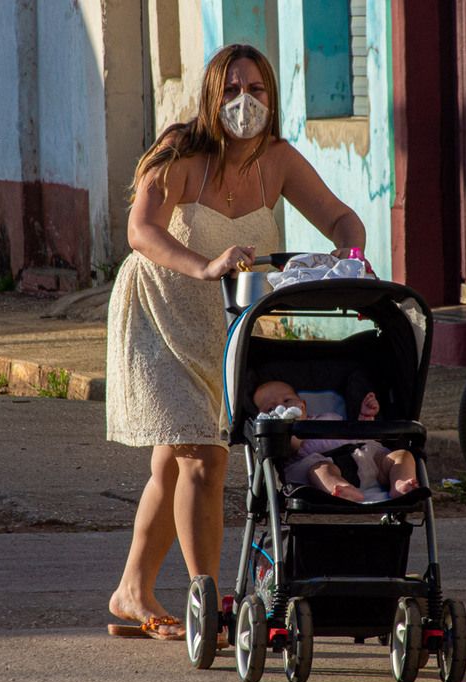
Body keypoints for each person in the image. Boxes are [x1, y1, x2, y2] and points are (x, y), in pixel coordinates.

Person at [105, 44, 366, 639]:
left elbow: (340, 217)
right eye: (230, 90)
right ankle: (210, 607)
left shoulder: (278, 161)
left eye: (256, 89)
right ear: (210, 96)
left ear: (272, 98)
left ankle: (130, 591)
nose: (243, 101)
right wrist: (202, 264)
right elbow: (140, 230)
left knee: (172, 465)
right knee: (205, 455)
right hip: (160, 316)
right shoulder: (179, 152)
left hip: (228, 329)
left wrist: (351, 256)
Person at [253, 380, 419, 502]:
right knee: (321, 469)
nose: (282, 407)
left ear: (303, 404)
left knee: (402, 455)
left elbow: (356, 434)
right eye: (271, 409)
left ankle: (401, 483)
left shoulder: (330, 417)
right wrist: (285, 426)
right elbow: (292, 447)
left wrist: (366, 417)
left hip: (364, 459)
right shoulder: (291, 434)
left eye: (287, 401)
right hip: (319, 462)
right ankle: (341, 490)